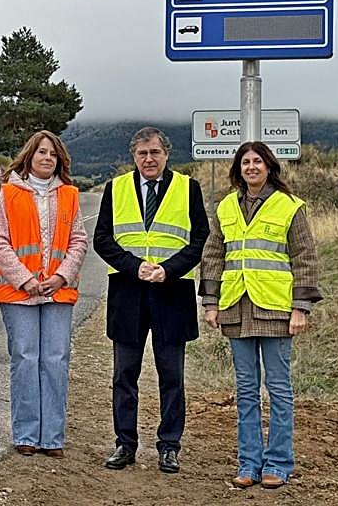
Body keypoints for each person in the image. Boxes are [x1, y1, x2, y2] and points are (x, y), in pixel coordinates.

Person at [198, 141, 322, 490]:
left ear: (269, 166)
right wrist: (211, 303)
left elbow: (305, 258)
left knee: (279, 389)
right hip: (236, 307)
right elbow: (212, 256)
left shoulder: (289, 207)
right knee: (246, 390)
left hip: (277, 310)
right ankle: (249, 463)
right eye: (245, 162)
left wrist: (301, 307)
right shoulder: (225, 207)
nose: (251, 167)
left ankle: (279, 463)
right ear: (238, 169)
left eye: (257, 161)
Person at [92, 126, 209, 474]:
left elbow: (200, 238)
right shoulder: (116, 188)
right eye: (142, 153)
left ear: (166, 154)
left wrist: (168, 270)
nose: (149, 159)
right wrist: (135, 267)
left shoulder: (189, 188)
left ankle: (169, 446)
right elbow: (102, 238)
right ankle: (125, 444)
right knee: (124, 375)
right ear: (133, 156)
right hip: (128, 292)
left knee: (171, 375)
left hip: (172, 293)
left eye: (155, 152)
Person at [0, 130, 88, 458]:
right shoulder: (10, 193)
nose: (47, 158)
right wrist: (24, 279)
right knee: (26, 359)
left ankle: (53, 437)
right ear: (30, 156)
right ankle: (27, 435)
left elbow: (78, 241)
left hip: (59, 291)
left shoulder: (70, 195)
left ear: (60, 160)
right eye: (42, 152)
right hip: (20, 292)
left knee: (56, 361)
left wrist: (62, 276)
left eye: (53, 154)